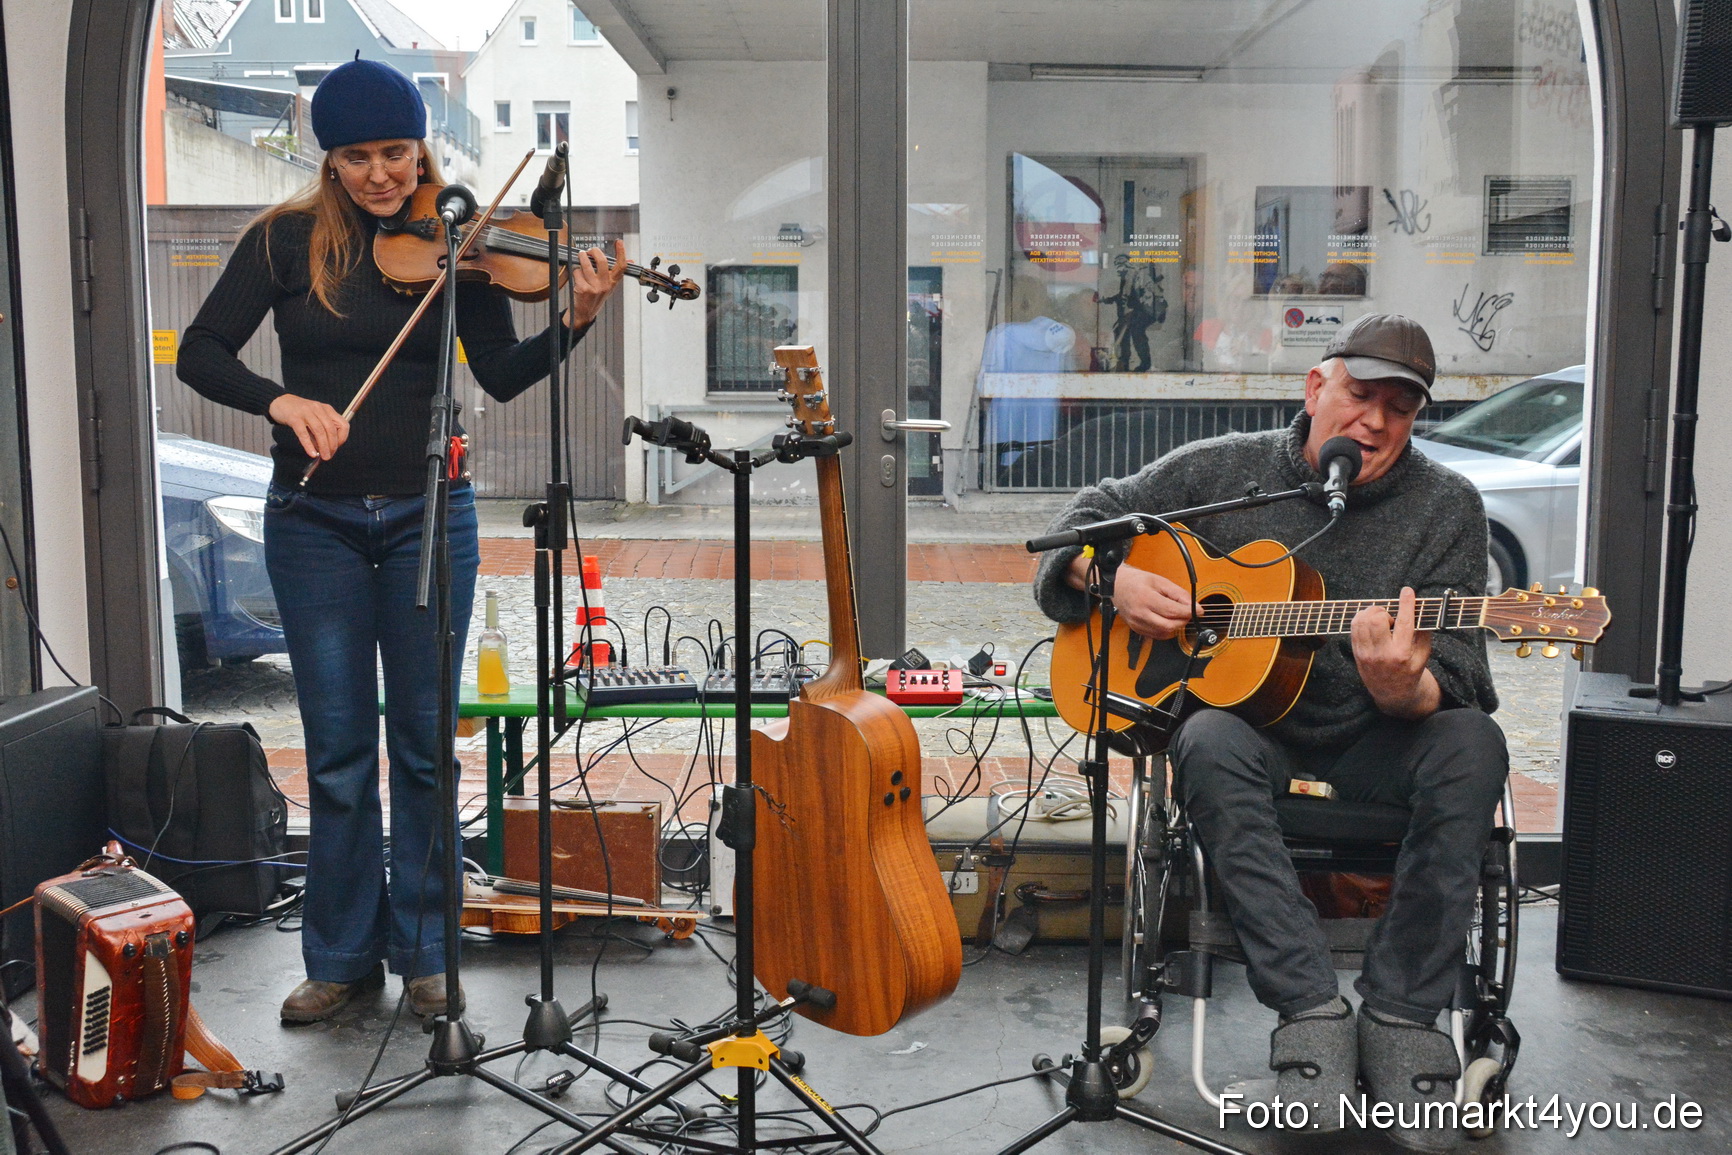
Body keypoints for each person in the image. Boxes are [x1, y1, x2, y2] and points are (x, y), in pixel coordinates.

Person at [176, 59, 627, 1024]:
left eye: (396, 151)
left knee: (424, 746)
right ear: (329, 160)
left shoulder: (458, 240)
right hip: (314, 522)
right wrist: (282, 399)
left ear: (419, 146)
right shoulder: (283, 242)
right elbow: (200, 350)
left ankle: (427, 952)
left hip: (432, 514)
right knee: (339, 751)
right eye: (357, 157)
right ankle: (340, 957)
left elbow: (503, 374)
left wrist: (578, 321)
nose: (382, 174)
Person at [1033, 314, 1506, 1154]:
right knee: (1207, 736)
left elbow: (1467, 674)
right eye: (1362, 395)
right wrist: (1111, 577)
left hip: (1378, 741)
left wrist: (1411, 687)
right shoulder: (1226, 471)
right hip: (1256, 741)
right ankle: (1311, 1013)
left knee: (1473, 743)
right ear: (1315, 387)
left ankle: (1401, 1016)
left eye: (1400, 408)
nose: (1375, 421)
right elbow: (1079, 520)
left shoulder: (1447, 508)